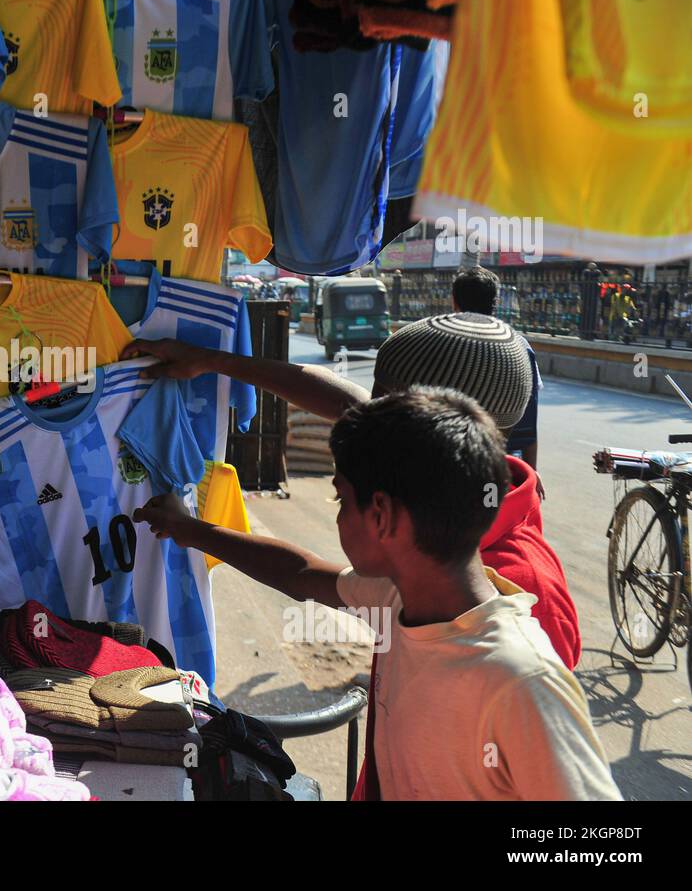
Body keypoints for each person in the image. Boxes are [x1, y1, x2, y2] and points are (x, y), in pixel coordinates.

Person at [134, 388, 620, 800]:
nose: (339, 514)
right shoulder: (400, 598)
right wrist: (188, 529)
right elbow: (300, 571)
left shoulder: (518, 679)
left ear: (383, 515)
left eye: (341, 498)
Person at [122, 312, 581, 670]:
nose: (363, 422)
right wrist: (212, 361)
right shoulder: (424, 531)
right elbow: (302, 575)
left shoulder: (520, 599)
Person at [450, 266, 542, 470]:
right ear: (496, 304)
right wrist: (531, 474)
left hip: (452, 462)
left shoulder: (443, 344)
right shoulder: (520, 347)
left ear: (454, 302)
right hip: (504, 465)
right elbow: (528, 422)